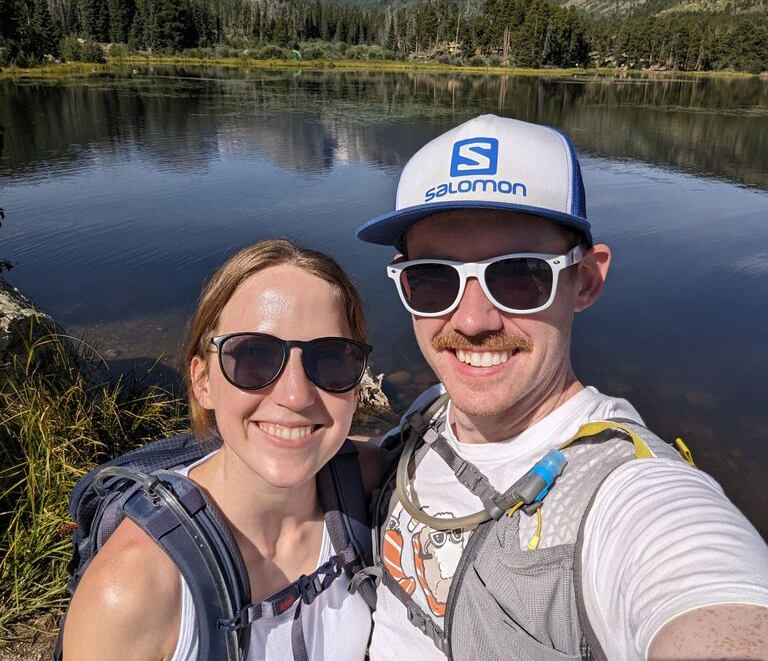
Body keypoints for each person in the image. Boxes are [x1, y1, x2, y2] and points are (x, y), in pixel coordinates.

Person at [355, 115, 768, 661]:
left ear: (587, 280)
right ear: (403, 280)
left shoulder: (628, 499)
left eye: (519, 275)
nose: (473, 319)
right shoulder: (433, 410)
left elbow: (707, 598)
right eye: (434, 278)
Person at [62, 239, 376, 661]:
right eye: (253, 356)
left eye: (332, 359)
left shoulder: (369, 484)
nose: (296, 395)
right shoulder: (132, 591)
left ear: (357, 384)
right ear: (202, 380)